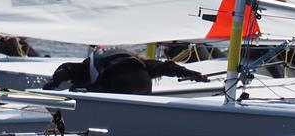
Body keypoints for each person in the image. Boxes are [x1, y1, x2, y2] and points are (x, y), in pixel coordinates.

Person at [42, 47, 210, 95]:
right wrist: (195, 75)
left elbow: (66, 68)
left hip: (116, 81)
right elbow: (168, 67)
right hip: (143, 84)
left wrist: (52, 83)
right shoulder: (140, 63)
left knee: (79, 89)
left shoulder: (88, 64)